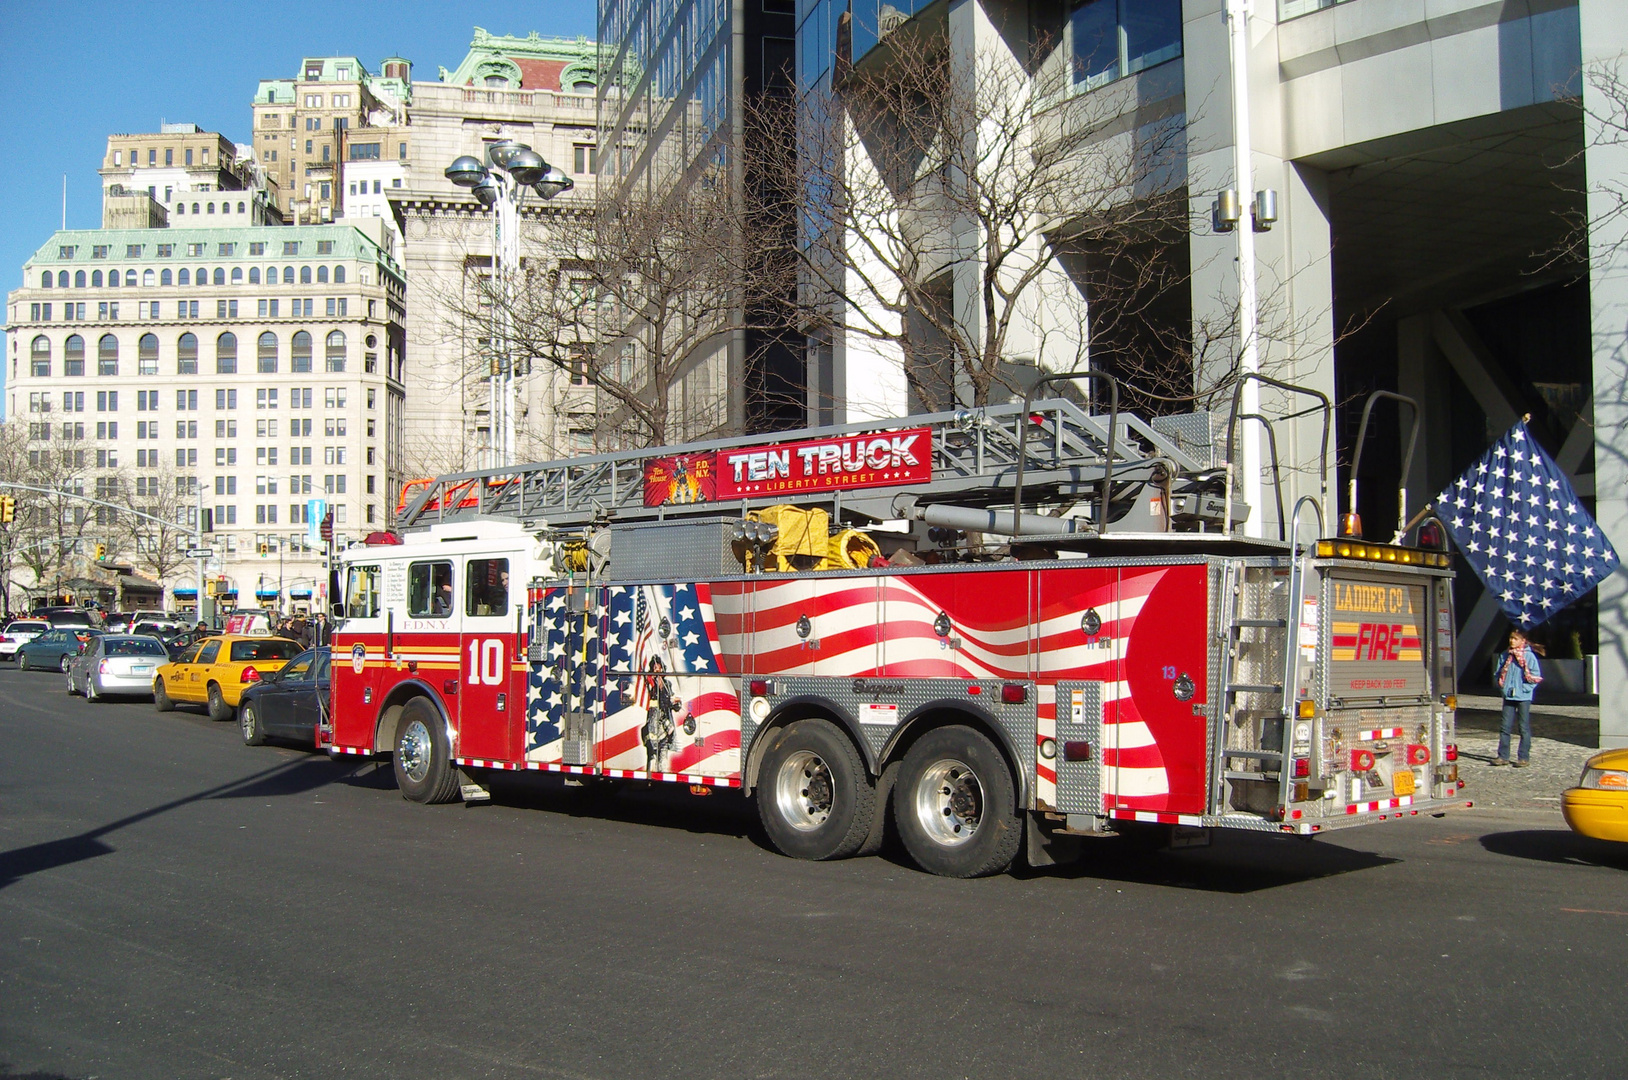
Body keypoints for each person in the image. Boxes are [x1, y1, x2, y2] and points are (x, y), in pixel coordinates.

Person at [1493, 627, 1543, 767]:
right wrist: (1502, 687)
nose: (1512, 641)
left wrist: (1525, 689)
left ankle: (1523, 757)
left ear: (1523, 641)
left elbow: (1536, 676)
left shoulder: (1528, 656)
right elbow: (1498, 672)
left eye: (1515, 638)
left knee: (1523, 727)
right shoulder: (1505, 655)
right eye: (1510, 638)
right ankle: (1503, 756)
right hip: (1508, 695)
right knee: (1505, 727)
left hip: (1523, 696)